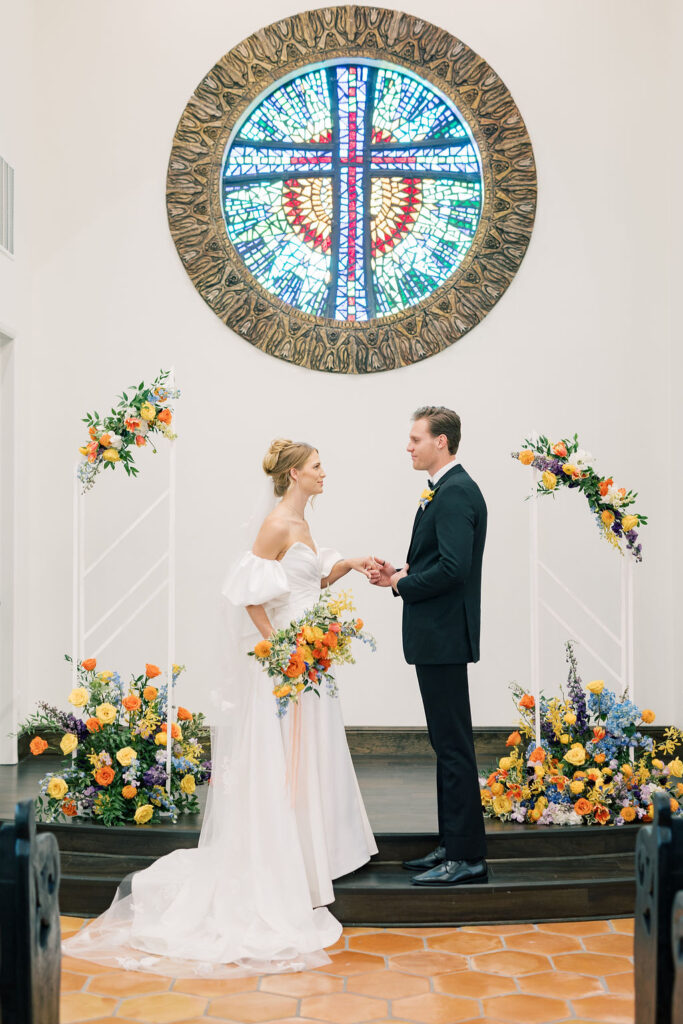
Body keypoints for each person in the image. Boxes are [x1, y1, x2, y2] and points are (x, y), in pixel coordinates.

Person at [62, 439, 377, 977]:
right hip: (289, 664)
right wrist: (282, 649)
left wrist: (347, 563)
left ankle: (304, 861)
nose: (326, 472)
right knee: (284, 761)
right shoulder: (278, 523)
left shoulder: (301, 523)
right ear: (296, 473)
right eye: (318, 465)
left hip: (311, 661)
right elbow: (249, 595)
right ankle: (278, 867)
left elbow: (309, 581)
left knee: (309, 758)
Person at [370, 406, 488, 886]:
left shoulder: (456, 492)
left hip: (442, 636)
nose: (409, 445)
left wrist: (401, 584)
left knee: (454, 746)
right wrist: (399, 574)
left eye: (416, 438)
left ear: (442, 441)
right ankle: (451, 844)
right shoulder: (444, 489)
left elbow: (454, 569)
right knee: (446, 744)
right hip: (436, 634)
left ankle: (466, 856)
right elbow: (438, 562)